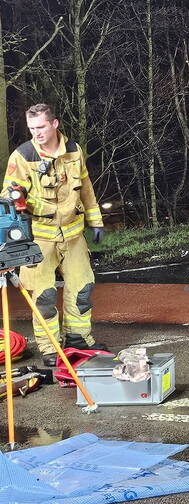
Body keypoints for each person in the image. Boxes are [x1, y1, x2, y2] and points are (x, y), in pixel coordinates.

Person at [4, 103, 106, 363]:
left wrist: (96, 222)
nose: (36, 133)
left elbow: (85, 188)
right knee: (44, 297)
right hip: (39, 237)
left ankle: (78, 339)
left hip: (73, 235)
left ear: (55, 124)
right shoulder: (23, 155)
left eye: (41, 127)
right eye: (32, 128)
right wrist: (17, 198)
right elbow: (9, 195)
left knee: (82, 289)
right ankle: (50, 349)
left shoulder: (73, 151)